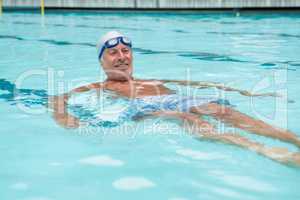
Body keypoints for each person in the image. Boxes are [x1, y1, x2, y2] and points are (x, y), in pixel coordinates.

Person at [49, 31, 300, 166]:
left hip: (178, 98)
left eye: (125, 51)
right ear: (102, 61)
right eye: (113, 53)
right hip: (145, 108)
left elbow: (197, 84)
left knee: (221, 111)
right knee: (184, 116)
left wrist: (249, 93)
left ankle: (294, 140)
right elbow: (59, 97)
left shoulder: (153, 80)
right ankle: (267, 152)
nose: (122, 56)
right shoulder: (99, 85)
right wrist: (65, 118)